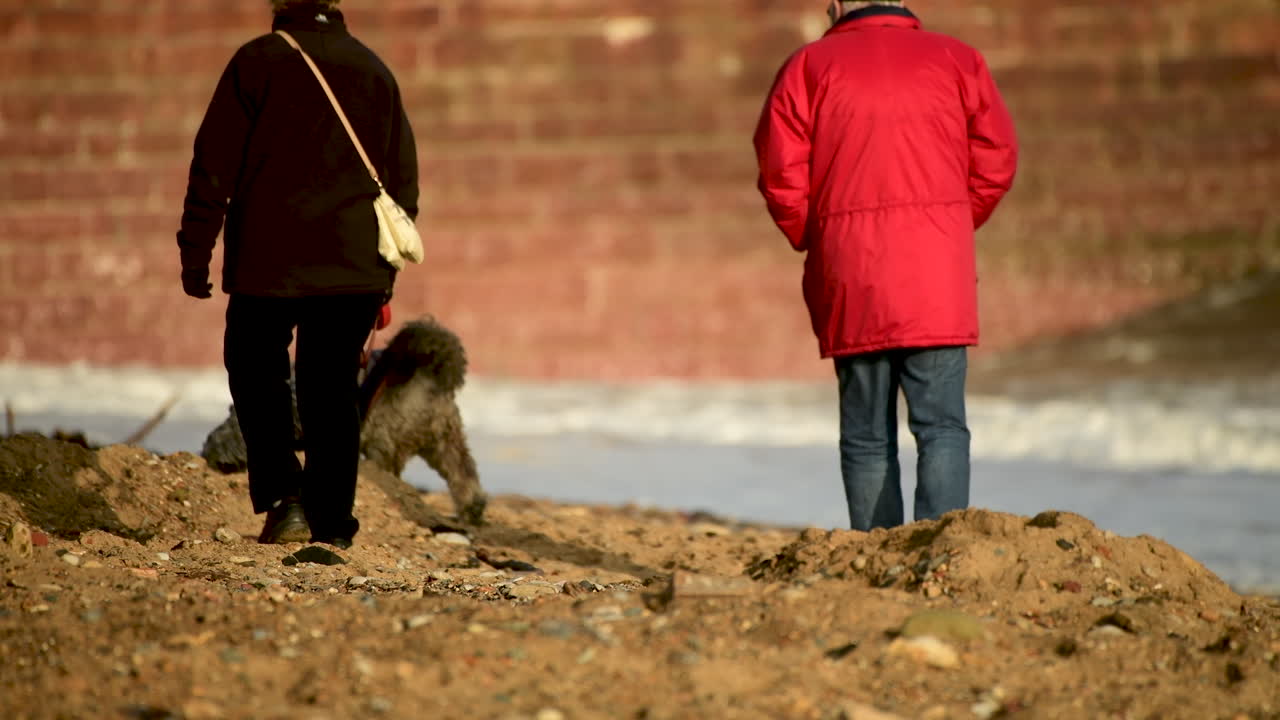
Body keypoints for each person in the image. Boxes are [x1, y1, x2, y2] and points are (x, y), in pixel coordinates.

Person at [753, 0, 1017, 530]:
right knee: (942, 427)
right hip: (936, 277)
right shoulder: (958, 59)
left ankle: (877, 554)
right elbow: (997, 161)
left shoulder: (807, 67)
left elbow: (780, 174)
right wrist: (949, 230)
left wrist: (819, 237)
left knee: (866, 436)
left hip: (853, 275)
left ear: (836, 6)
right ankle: (943, 553)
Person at [175, 0, 419, 548]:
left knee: (255, 369)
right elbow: (403, 184)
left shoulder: (256, 62)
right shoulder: (374, 70)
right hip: (354, 263)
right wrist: (385, 276)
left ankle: (286, 502)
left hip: (268, 261)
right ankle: (331, 523)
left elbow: (212, 165)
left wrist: (195, 249)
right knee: (331, 387)